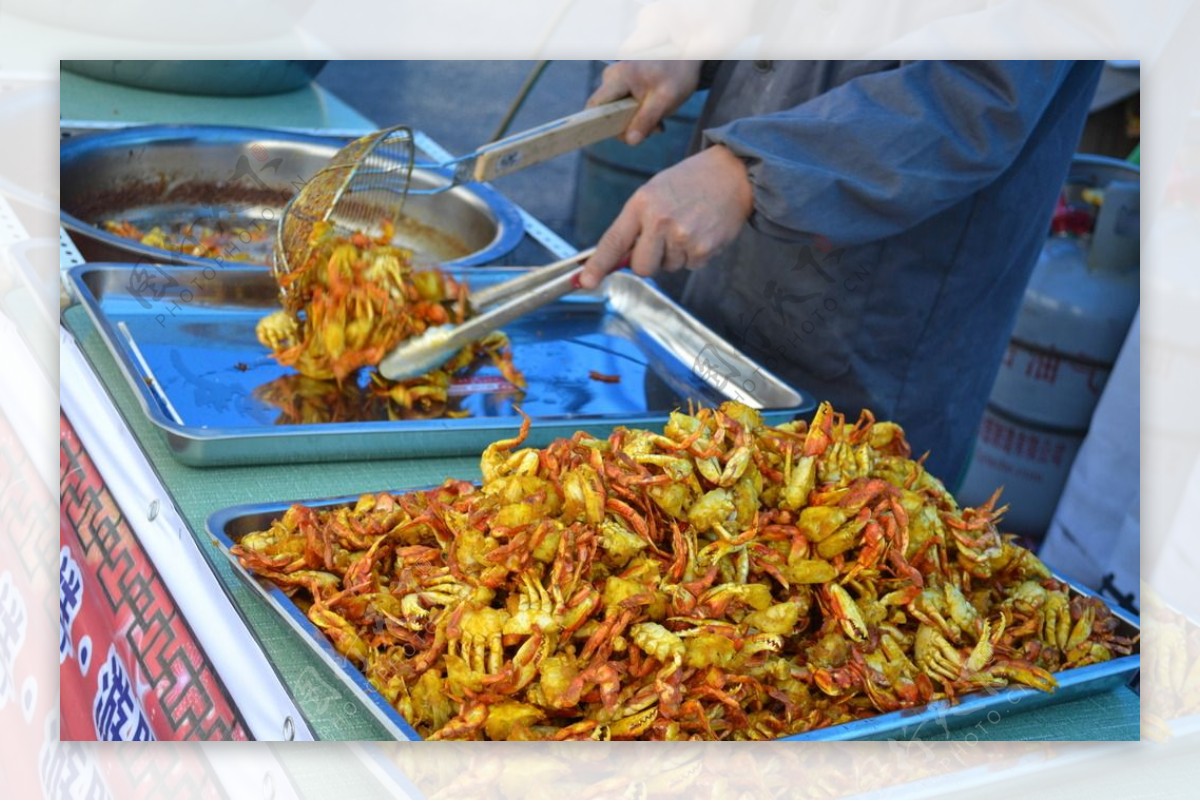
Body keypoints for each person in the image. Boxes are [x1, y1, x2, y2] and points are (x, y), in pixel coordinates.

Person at [578, 60, 1104, 487]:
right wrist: (694, 42)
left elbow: (980, 91)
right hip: (721, 280)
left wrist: (750, 172)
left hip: (880, 312)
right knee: (670, 495)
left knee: (838, 534)